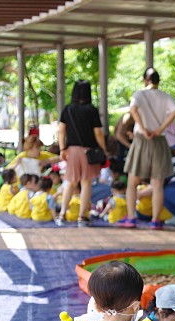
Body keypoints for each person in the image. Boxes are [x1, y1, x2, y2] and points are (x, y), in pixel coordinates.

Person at [119, 68, 175, 230]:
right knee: (157, 184)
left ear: (145, 80)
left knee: (132, 182)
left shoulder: (139, 94)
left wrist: (143, 127)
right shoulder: (165, 96)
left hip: (141, 139)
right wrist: (160, 129)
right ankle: (155, 220)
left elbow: (133, 109)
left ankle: (131, 217)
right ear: (158, 81)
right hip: (159, 140)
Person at [57, 80, 108, 227]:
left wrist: (62, 149)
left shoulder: (67, 109)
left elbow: (61, 131)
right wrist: (103, 148)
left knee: (70, 182)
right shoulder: (91, 110)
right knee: (86, 183)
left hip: (72, 151)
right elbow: (98, 133)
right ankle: (82, 217)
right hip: (88, 151)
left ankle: (62, 214)